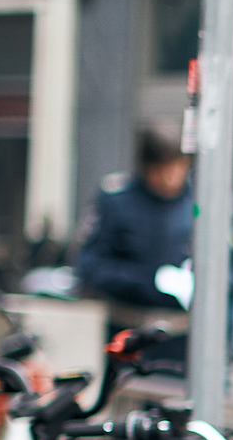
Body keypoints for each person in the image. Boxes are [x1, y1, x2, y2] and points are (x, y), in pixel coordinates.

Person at [74, 122, 195, 313]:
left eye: (175, 168)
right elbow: (90, 266)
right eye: (159, 170)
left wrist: (196, 282)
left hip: (184, 329)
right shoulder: (117, 201)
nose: (168, 179)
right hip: (129, 321)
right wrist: (150, 280)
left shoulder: (201, 203)